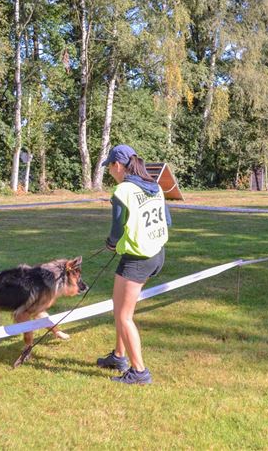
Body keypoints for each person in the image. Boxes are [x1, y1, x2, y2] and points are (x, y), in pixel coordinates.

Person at [96, 144, 170, 384]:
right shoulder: (155, 186)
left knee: (124, 315)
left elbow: (116, 232)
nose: (109, 171)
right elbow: (167, 220)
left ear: (118, 166)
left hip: (137, 259)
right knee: (120, 308)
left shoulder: (123, 190)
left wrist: (111, 244)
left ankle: (139, 372)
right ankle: (119, 356)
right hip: (156, 254)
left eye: (110, 167)